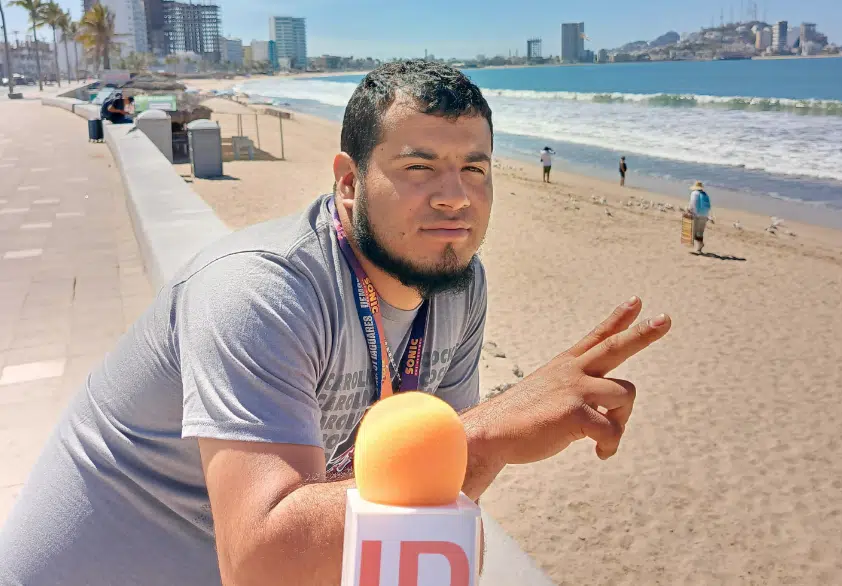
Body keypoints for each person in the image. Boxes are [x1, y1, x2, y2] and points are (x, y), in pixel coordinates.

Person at [0, 61, 671, 586]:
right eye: (419, 167)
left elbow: (432, 486)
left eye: (475, 168)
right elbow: (261, 561)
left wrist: (477, 442)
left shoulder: (457, 285)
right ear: (347, 183)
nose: (455, 196)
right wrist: (491, 429)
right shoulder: (260, 291)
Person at [687, 180, 712, 253]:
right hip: (705, 215)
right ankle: (699, 249)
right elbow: (709, 206)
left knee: (694, 233)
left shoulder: (694, 193)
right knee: (700, 232)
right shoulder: (705, 194)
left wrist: (689, 210)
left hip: (696, 215)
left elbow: (692, 204)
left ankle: (700, 245)